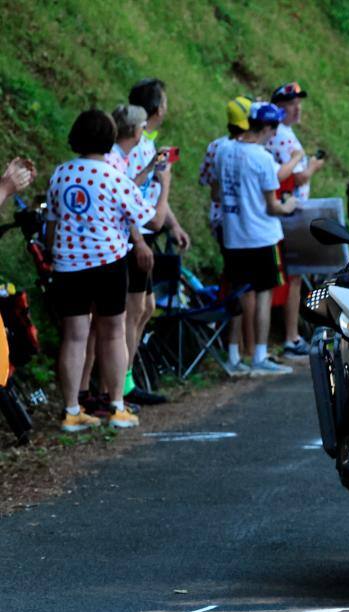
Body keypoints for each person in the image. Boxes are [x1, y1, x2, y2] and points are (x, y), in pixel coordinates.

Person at [44, 110, 155, 432]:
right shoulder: (113, 176)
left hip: (67, 264)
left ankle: (71, 410)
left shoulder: (60, 174)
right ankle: (117, 406)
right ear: (109, 139)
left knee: (75, 336)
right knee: (114, 332)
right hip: (107, 262)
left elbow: (51, 225)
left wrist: (56, 253)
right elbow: (144, 216)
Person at [213, 102, 298, 377]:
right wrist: (289, 205)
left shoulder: (223, 151)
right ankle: (259, 355)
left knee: (236, 294)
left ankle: (234, 355)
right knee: (263, 295)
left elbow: (216, 193)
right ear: (268, 128)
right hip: (262, 236)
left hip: (233, 235)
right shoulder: (262, 158)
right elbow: (273, 206)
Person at [126, 78, 191, 406]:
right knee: (134, 310)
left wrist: (174, 224)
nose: (167, 107)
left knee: (145, 308)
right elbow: (138, 201)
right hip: (135, 237)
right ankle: (121, 386)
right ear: (156, 109)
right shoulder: (136, 146)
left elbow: (149, 194)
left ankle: (125, 379)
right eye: (164, 102)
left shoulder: (148, 143)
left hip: (145, 234)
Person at [265, 82, 325, 359]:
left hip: (284, 207)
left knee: (293, 276)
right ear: (279, 107)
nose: (297, 107)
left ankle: (289, 335)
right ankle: (291, 337)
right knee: (295, 276)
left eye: (298, 102)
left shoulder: (278, 133)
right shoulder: (284, 136)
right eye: (291, 103)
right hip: (290, 208)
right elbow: (298, 176)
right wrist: (313, 165)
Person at [199, 97, 254, 243]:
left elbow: (207, 182)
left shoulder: (215, 146)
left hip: (221, 219)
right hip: (247, 221)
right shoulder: (253, 150)